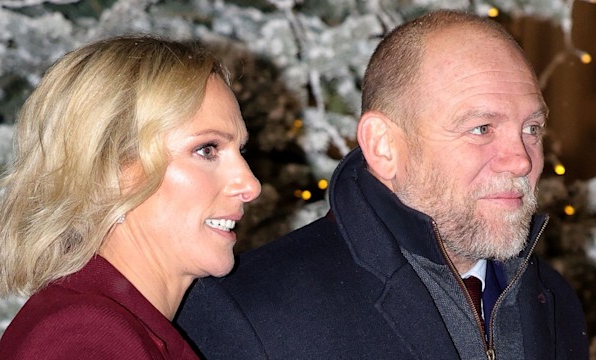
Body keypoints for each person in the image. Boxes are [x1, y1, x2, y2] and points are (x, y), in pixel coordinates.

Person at [175, 9, 589, 359]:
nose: (521, 159)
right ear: (383, 146)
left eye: (532, 128)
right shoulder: (251, 315)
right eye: (481, 128)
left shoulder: (554, 302)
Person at [0, 34, 261, 359]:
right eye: (206, 149)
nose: (250, 185)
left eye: (240, 151)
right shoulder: (85, 339)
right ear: (108, 172)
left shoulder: (124, 327)